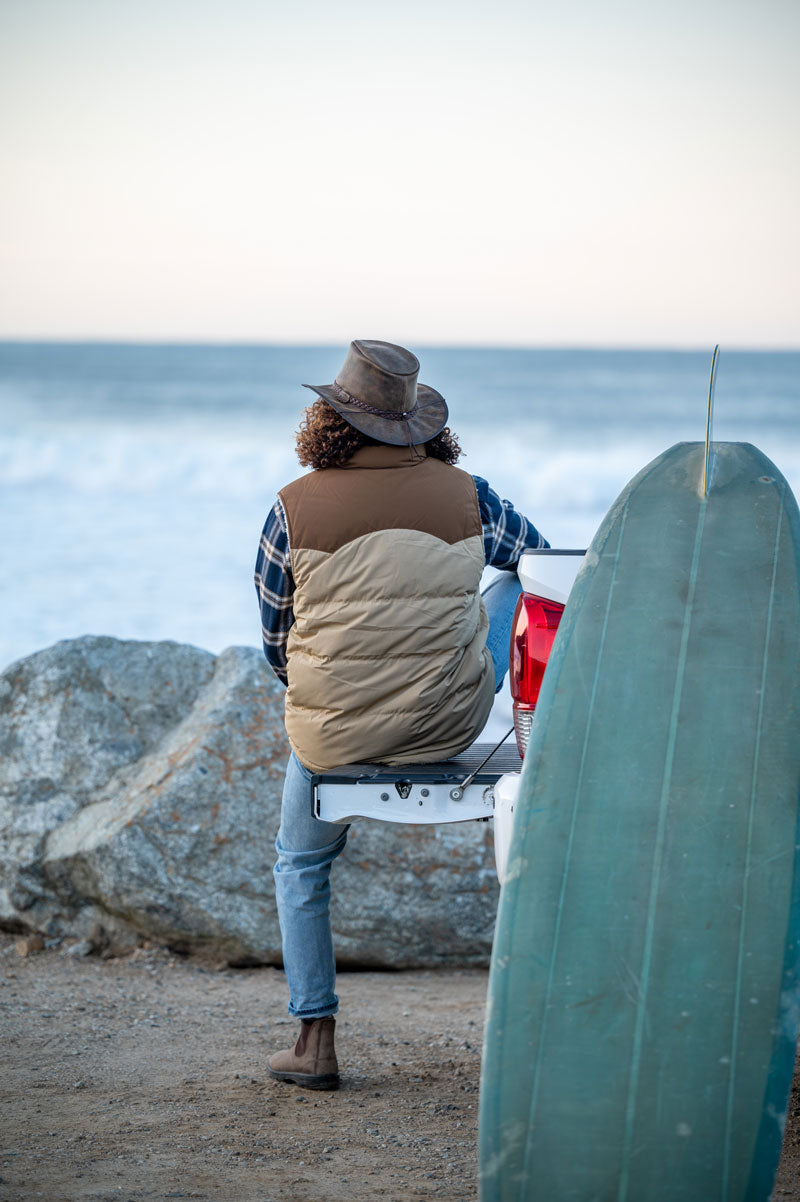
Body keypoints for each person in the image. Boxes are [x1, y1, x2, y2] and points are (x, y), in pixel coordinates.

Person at [254, 340, 547, 1090]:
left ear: (330, 420)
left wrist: (335, 695)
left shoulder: (291, 507)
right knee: (509, 583)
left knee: (300, 861)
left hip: (331, 735)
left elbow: (276, 642)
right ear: (419, 424)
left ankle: (314, 1042)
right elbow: (544, 562)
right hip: (449, 723)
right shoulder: (470, 494)